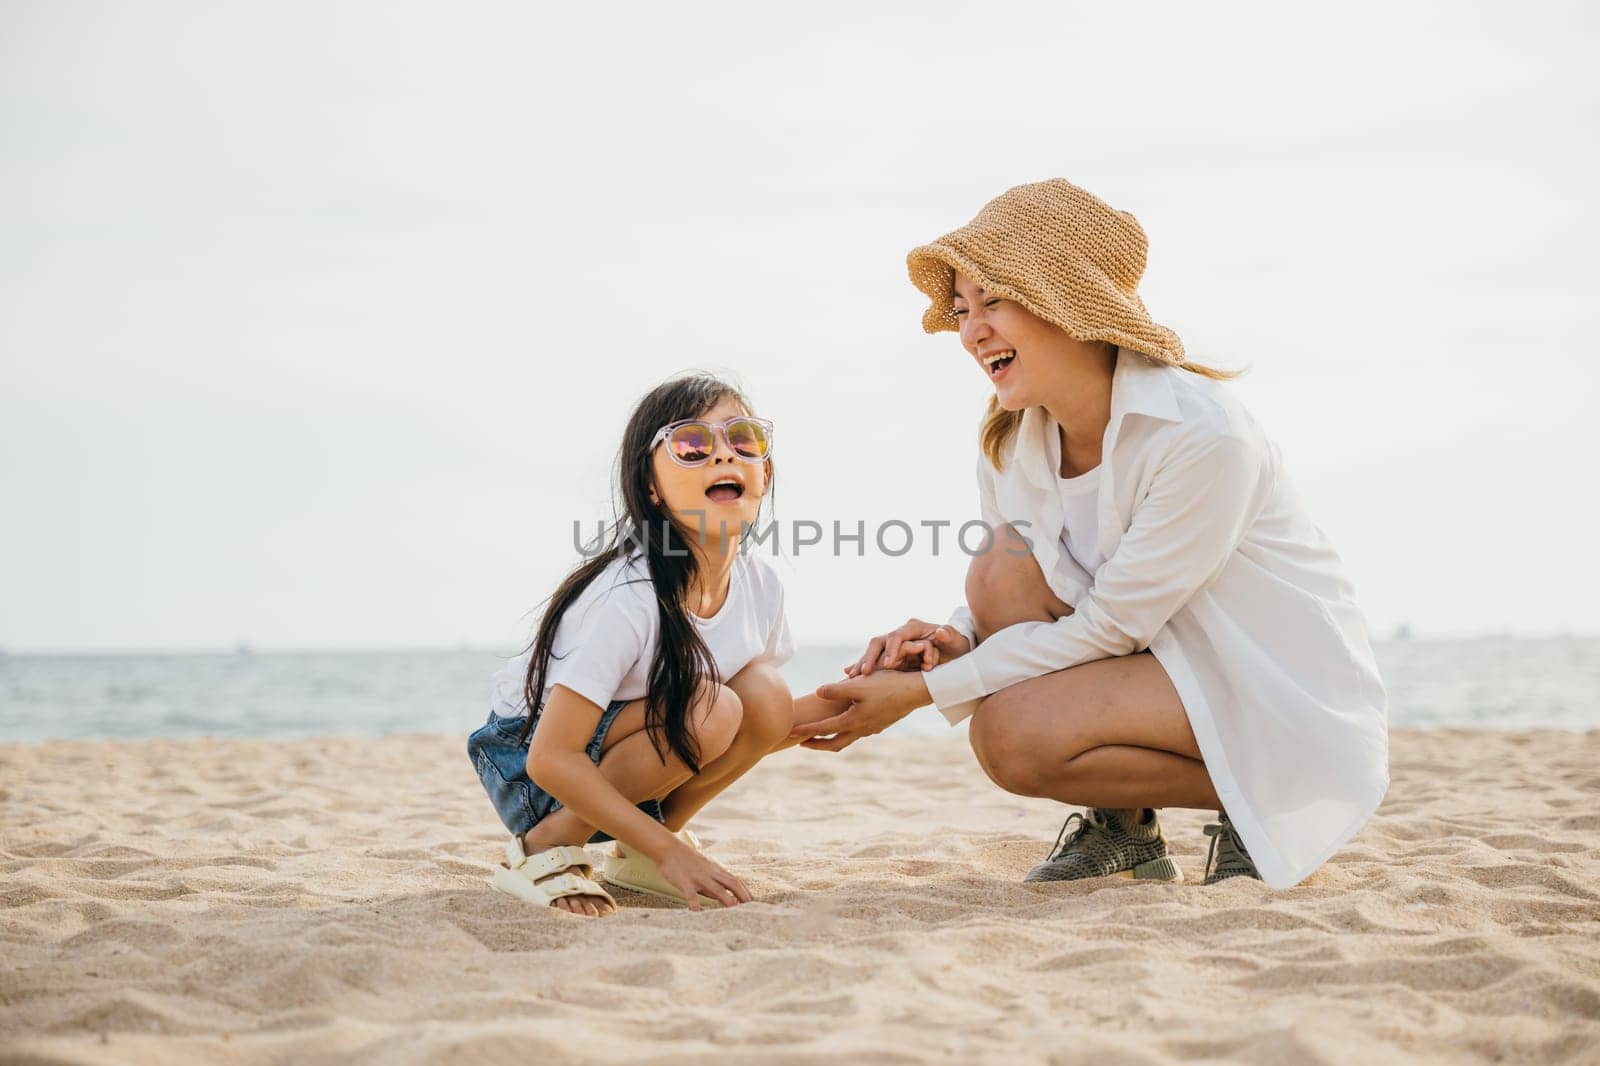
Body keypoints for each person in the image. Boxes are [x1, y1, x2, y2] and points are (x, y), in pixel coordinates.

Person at [792, 179, 1388, 889]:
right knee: (998, 572)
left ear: (1065, 299)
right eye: (961, 309)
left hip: (1271, 690)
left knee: (1008, 734)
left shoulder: (1201, 435)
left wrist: (925, 695)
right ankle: (1126, 831)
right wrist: (956, 641)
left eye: (992, 300)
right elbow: (1046, 590)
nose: (970, 330)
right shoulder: (1014, 442)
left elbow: (1111, 622)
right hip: (1157, 667)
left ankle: (1257, 803)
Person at [468, 372, 845, 916]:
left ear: (763, 472)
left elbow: (765, 722)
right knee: (712, 706)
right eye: (691, 445)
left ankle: (640, 847)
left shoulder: (762, 581)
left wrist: (875, 695)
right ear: (651, 487)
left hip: (616, 752)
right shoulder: (629, 595)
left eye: (743, 440)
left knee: (764, 692)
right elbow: (552, 758)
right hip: (527, 766)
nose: (723, 456)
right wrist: (674, 856)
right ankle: (545, 848)